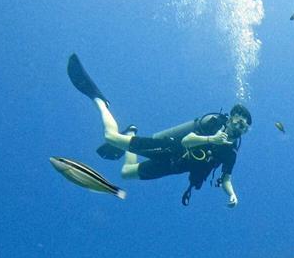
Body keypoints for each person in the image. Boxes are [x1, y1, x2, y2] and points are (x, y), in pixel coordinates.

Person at [67, 54, 252, 208]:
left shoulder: (231, 153)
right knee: (110, 137)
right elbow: (187, 141)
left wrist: (232, 195)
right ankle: (100, 101)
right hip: (168, 148)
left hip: (173, 167)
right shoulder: (213, 122)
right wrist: (212, 139)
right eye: (237, 121)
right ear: (231, 117)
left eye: (243, 126)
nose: (239, 127)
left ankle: (131, 131)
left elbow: (226, 178)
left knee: (125, 172)